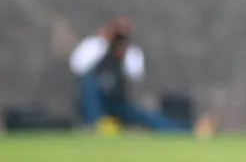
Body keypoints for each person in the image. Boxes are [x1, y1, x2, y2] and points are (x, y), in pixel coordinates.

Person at [70, 17, 198, 133]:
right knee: (90, 87)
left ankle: (187, 129)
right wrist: (104, 44)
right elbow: (78, 66)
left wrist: (122, 53)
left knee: (149, 117)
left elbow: (136, 74)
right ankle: (96, 125)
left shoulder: (131, 52)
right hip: (94, 102)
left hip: (117, 103)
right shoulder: (94, 45)